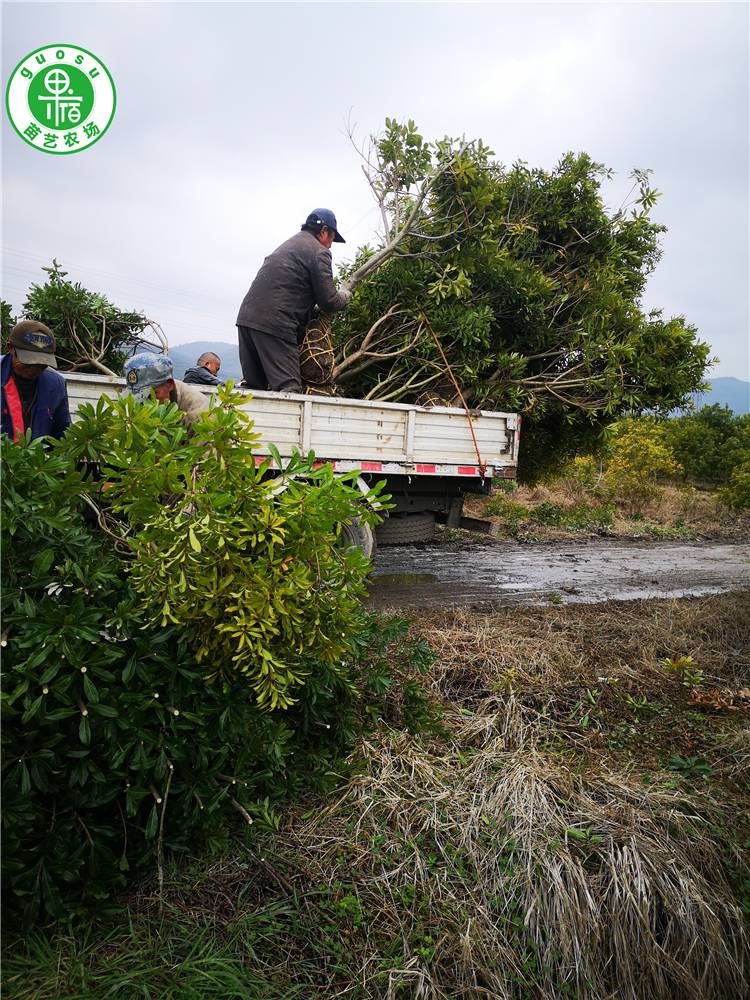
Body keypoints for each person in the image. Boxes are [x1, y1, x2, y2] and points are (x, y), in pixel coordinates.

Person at [236, 208, 352, 393]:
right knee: (289, 389)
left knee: (253, 387)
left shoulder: (289, 245)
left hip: (246, 320)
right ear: (323, 232)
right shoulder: (319, 252)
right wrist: (345, 294)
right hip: (275, 323)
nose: (330, 245)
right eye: (331, 238)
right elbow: (329, 301)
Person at [1, 320, 71, 441]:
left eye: (42, 363)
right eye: (29, 360)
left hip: (38, 458)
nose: (35, 368)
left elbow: (62, 435)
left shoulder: (56, 385)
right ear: (11, 348)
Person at [123, 353, 209, 433]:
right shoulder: (133, 403)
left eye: (151, 394)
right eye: (138, 396)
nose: (144, 403)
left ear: (169, 385)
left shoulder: (199, 412)